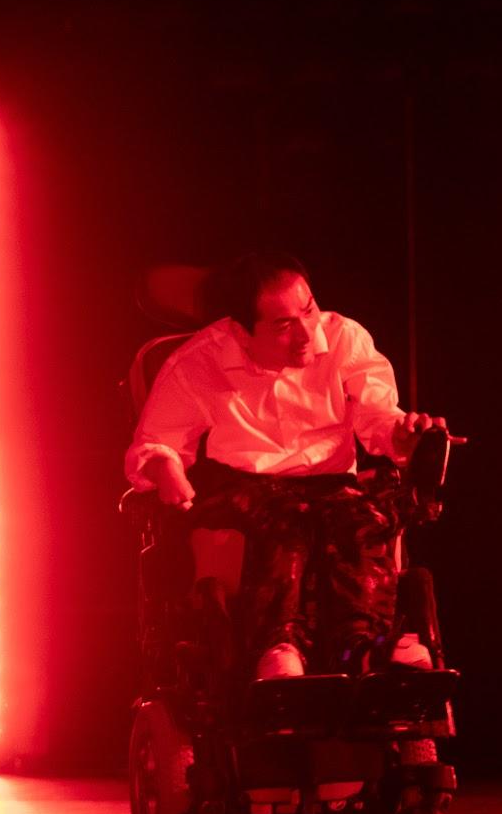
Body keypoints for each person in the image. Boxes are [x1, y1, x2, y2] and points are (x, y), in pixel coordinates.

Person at [125, 251, 448, 682]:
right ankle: (278, 646)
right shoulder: (198, 361)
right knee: (288, 517)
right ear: (241, 331)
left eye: (309, 310)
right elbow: (155, 443)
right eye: (283, 325)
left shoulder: (344, 338)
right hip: (246, 484)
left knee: (362, 516)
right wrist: (167, 470)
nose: (306, 334)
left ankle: (362, 647)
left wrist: (401, 435)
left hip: (332, 483)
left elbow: (377, 418)